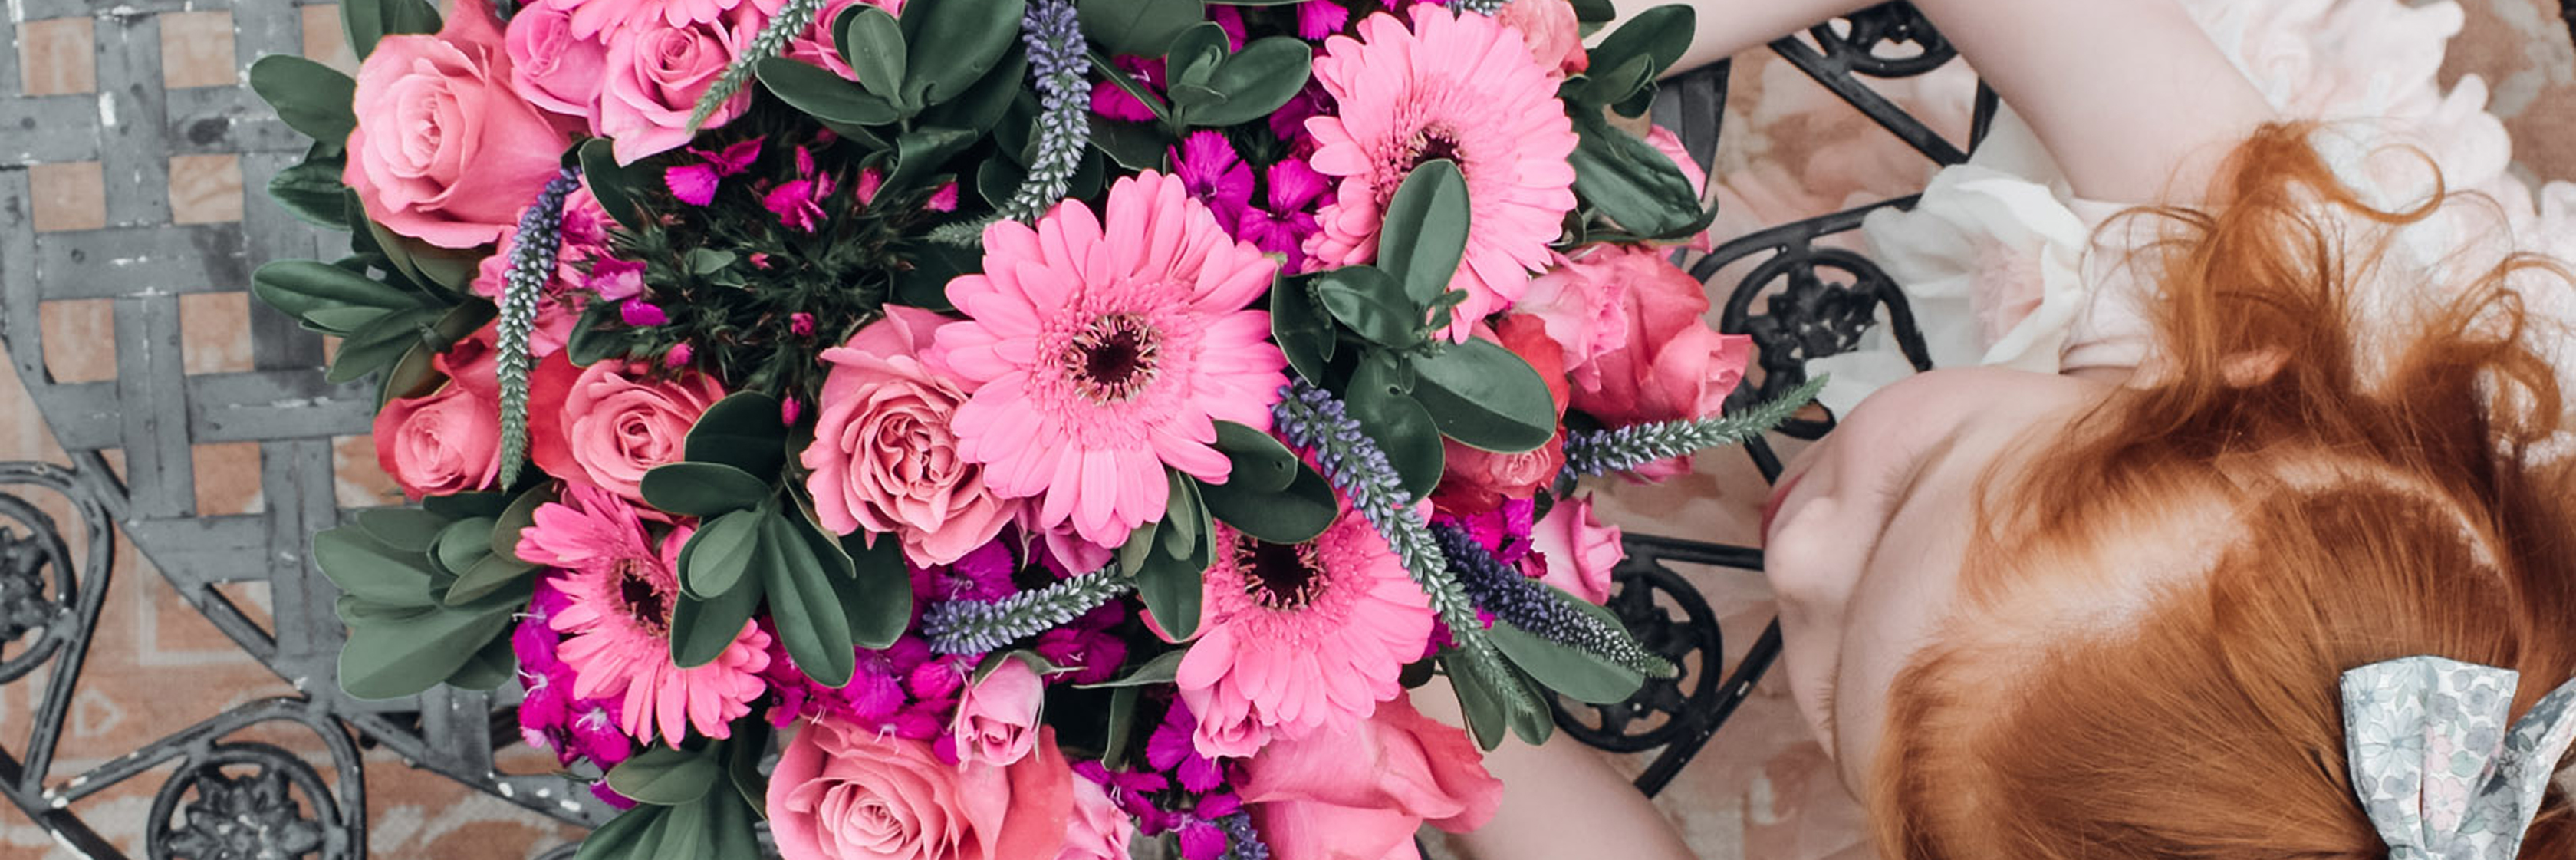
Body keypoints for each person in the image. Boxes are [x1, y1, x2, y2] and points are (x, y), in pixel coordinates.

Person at [1420, 0, 2576, 857]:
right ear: (2182, 388)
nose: (1797, 551)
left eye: (1834, 704)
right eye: (1909, 489)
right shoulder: (2253, 276)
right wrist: (1542, 48)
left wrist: (1407, 670)